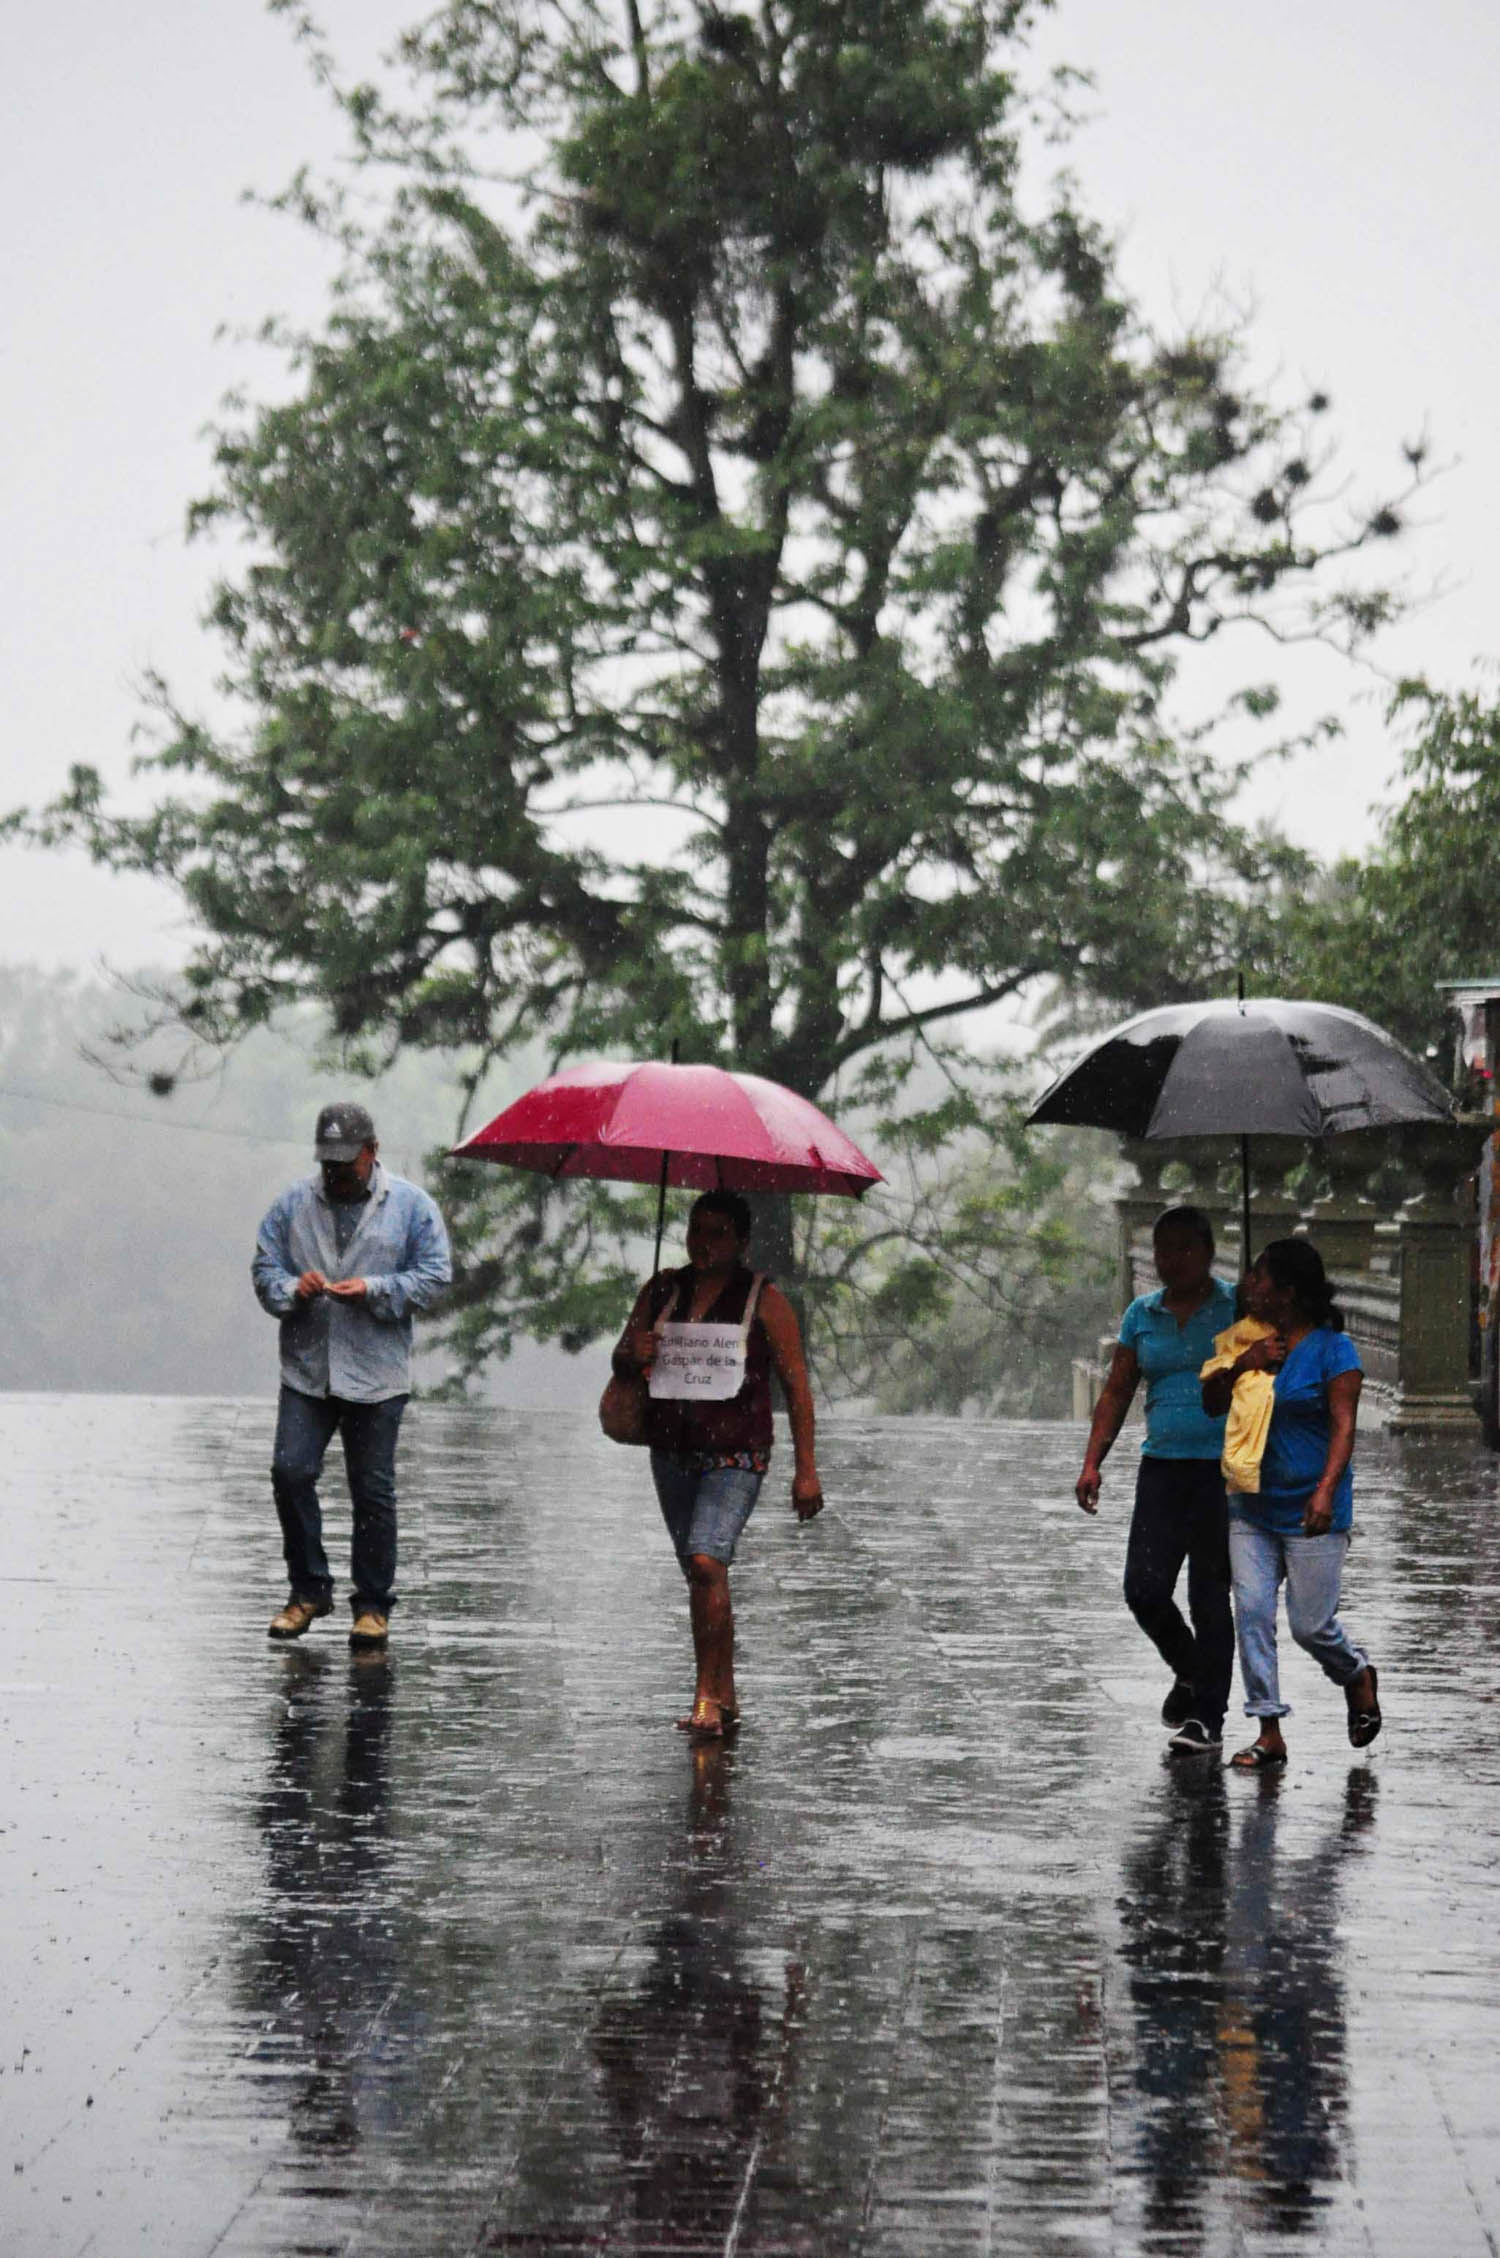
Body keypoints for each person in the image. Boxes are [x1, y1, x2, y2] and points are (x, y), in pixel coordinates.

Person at [611, 1191, 823, 1738]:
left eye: (718, 1233)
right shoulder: (662, 1290)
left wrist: (806, 1468)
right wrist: (632, 1354)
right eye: (696, 1230)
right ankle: (725, 1689)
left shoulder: (765, 1300)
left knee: (707, 1560)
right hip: (672, 1451)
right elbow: (623, 1355)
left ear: (742, 1242)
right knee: (700, 1571)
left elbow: (796, 1385)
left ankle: (705, 1696)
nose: (703, 1243)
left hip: (737, 1455)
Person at [252, 1102, 452, 1650]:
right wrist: (294, 1289)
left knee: (372, 1491)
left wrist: (377, 1290)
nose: (337, 1173)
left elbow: (435, 1276)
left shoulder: (412, 1206)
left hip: (375, 1372)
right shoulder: (293, 1204)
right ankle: (309, 1588)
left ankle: (372, 1605)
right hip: (308, 1368)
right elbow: (265, 1268)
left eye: (348, 1162)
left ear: (372, 1152)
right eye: (329, 1163)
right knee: (290, 1471)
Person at [1201, 1238, 1381, 1770]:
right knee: (1252, 1613)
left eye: (1259, 1277)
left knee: (1310, 1626)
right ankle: (1268, 1729)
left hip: (1312, 1509)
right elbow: (1211, 1402)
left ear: (1288, 1292)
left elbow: (1344, 1427)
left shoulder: (1333, 1351)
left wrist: (1326, 1489)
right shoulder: (1241, 1339)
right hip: (1250, 1505)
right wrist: (1244, 1364)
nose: (1248, 1286)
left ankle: (1356, 1673)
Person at [1075, 1206, 1238, 1756]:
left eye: (1185, 1248)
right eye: (1164, 1249)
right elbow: (1118, 1389)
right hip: (1162, 1467)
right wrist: (1093, 1460)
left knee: (1209, 1596)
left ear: (1209, 1253)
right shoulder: (1141, 1314)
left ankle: (1208, 1720)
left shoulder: (1236, 1307)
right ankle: (1191, 1668)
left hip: (1222, 1471)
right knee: (1143, 1587)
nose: (1172, 1260)